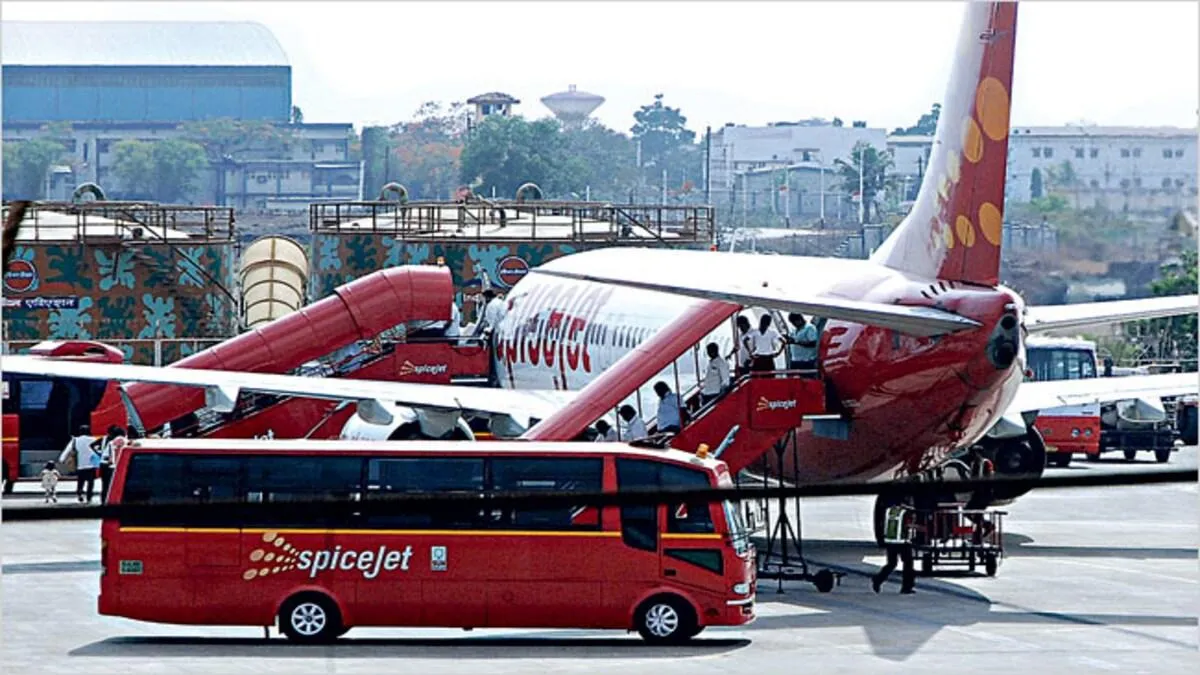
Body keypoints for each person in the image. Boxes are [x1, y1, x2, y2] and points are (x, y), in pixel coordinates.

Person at [872, 502, 917, 594]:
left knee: (891, 563)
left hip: (890, 541)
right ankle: (906, 587)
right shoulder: (906, 512)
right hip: (902, 542)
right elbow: (908, 525)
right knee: (908, 564)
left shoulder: (889, 511)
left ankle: (878, 579)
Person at [59, 425, 102, 503]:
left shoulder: (75, 440)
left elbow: (67, 450)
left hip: (80, 464)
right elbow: (99, 450)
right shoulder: (94, 439)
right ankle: (89, 497)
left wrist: (62, 459)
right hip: (91, 464)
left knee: (81, 481)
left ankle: (79, 493)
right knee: (90, 482)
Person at [99, 426, 129, 504]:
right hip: (122, 468)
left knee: (106, 487)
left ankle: (104, 503)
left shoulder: (111, 443)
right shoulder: (128, 442)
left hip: (110, 468)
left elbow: (104, 457)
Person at [701, 342, 730, 406]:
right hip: (706, 393)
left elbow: (725, 380)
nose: (708, 353)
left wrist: (721, 395)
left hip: (714, 394)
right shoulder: (710, 363)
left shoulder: (721, 363)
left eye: (710, 351)